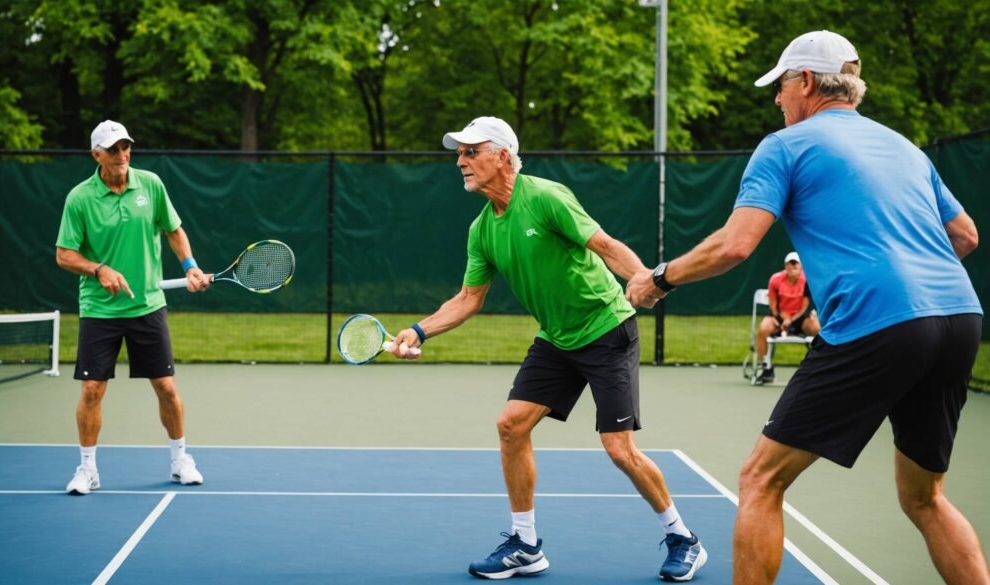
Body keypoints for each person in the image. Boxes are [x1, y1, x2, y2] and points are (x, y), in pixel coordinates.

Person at [625, 30, 986, 585]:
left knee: (760, 480)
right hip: (960, 318)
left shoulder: (784, 145)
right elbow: (964, 235)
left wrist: (659, 279)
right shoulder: (903, 147)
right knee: (925, 497)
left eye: (782, 85)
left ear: (809, 83)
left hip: (878, 323)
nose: (777, 99)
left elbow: (735, 245)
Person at [387, 116, 707, 582]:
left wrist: (642, 279)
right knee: (511, 426)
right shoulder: (482, 230)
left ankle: (684, 539)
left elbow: (604, 244)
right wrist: (419, 330)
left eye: (470, 151)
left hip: (606, 329)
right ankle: (526, 545)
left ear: (501, 155)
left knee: (619, 449)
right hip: (556, 338)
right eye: (459, 152)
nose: (460, 161)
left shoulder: (545, 197)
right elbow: (468, 299)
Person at [55, 120, 211, 495]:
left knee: (166, 386)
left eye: (126, 147)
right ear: (97, 155)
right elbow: (64, 255)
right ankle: (88, 469)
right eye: (113, 149)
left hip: (147, 306)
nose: (122, 154)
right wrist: (98, 269)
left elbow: (173, 230)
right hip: (100, 310)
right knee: (92, 389)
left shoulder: (151, 185)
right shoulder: (79, 198)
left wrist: (190, 267)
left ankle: (180, 460)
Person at [755, 251, 821, 383]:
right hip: (779, 316)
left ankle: (818, 366)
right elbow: (773, 305)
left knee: (817, 329)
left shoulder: (807, 280)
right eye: (789, 264)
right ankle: (766, 367)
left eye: (795, 263)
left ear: (801, 266)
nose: (792, 266)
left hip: (800, 317)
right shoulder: (775, 280)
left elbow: (804, 306)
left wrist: (791, 320)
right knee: (763, 328)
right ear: (785, 266)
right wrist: (782, 318)